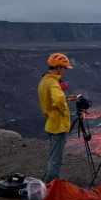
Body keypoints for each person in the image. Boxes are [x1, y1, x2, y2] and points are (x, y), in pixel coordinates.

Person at [38, 53, 78, 182]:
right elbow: (58, 100)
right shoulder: (53, 83)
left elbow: (52, 100)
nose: (65, 71)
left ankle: (49, 181)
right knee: (56, 158)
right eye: (64, 68)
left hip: (51, 122)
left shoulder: (44, 80)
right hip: (58, 125)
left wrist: (66, 98)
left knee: (53, 155)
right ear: (59, 68)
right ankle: (51, 184)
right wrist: (64, 110)